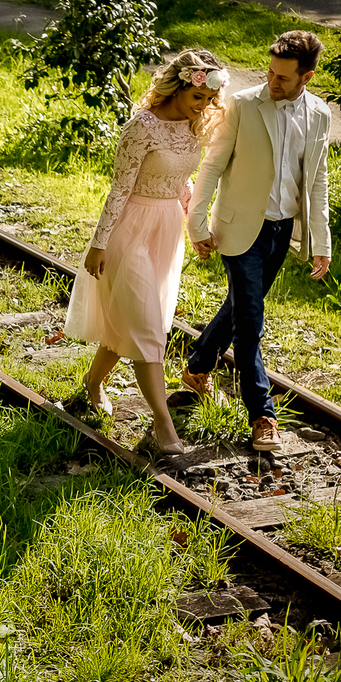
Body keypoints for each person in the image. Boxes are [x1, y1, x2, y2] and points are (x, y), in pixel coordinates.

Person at [64, 49, 229, 456]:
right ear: (177, 86)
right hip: (129, 229)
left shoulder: (194, 127)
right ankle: (163, 424)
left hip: (166, 229)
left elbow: (181, 179)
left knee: (131, 321)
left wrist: (195, 225)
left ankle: (93, 382)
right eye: (198, 98)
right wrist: (99, 244)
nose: (203, 106)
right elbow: (120, 188)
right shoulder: (141, 127)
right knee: (148, 328)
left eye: (209, 100)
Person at [181, 31, 333, 452]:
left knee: (239, 307)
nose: (273, 81)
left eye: (283, 77)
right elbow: (212, 166)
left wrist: (322, 241)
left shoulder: (319, 114)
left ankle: (197, 368)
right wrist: (196, 223)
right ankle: (261, 413)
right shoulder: (243, 105)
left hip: (282, 231)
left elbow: (317, 180)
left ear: (307, 76)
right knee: (251, 322)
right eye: (269, 71)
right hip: (239, 228)